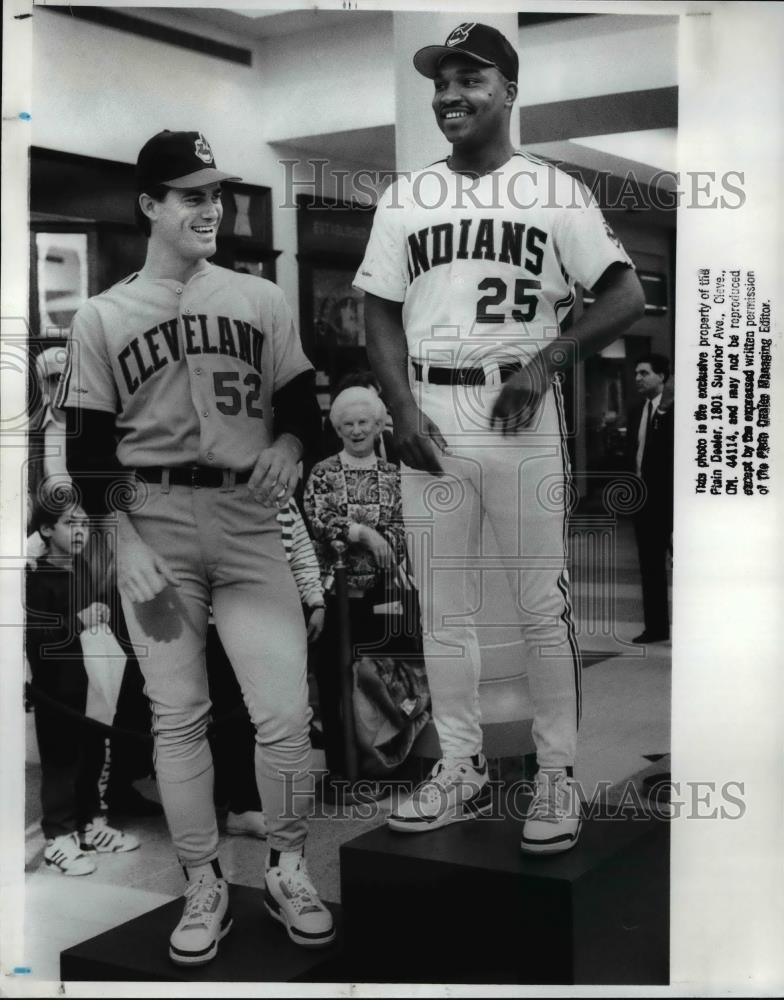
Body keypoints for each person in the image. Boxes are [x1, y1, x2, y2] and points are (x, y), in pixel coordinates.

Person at [354, 22, 646, 854]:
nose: (449, 96)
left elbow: (625, 297)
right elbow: (375, 306)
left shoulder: (553, 190)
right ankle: (459, 765)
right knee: (443, 608)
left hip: (518, 413)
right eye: (440, 83)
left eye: (469, 79)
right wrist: (402, 411)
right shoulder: (408, 196)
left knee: (539, 604)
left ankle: (555, 774)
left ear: (509, 92)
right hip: (432, 414)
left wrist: (549, 360)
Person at [56, 130, 333, 963]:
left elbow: (300, 413)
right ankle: (203, 881)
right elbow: (87, 452)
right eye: (189, 195)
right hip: (156, 532)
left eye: (213, 194)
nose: (209, 208)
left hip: (250, 525)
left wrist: (289, 449)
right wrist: (120, 542)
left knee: (284, 714)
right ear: (149, 205)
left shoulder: (260, 300)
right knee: (179, 717)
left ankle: (287, 864)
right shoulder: (103, 316)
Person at [25, 487, 139, 876]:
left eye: (85, 524)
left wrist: (98, 612)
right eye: (70, 523)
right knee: (60, 761)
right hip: (55, 689)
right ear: (45, 529)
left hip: (88, 683)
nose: (81, 531)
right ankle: (58, 837)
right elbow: (38, 637)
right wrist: (78, 621)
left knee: (91, 754)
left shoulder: (84, 570)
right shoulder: (39, 579)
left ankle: (91, 825)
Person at [304, 386, 411, 777]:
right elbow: (318, 521)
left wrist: (387, 542)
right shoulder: (323, 473)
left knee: (386, 678)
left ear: (379, 424)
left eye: (364, 422)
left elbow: (404, 527)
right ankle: (343, 772)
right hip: (336, 596)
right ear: (336, 429)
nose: (356, 430)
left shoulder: (394, 476)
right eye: (347, 423)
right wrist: (363, 534)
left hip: (383, 595)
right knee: (334, 684)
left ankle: (387, 764)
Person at [209, 497, 326, 840]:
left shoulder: (282, 495)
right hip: (223, 622)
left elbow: (301, 549)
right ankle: (240, 807)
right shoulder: (218, 489)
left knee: (274, 712)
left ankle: (261, 799)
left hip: (273, 616)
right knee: (234, 717)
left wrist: (315, 599)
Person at [626, 354, 674, 644]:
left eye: (644, 372)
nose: (638, 378)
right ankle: (656, 628)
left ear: (662, 377)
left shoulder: (676, 412)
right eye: (636, 374)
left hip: (670, 501)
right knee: (650, 567)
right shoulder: (636, 411)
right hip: (644, 503)